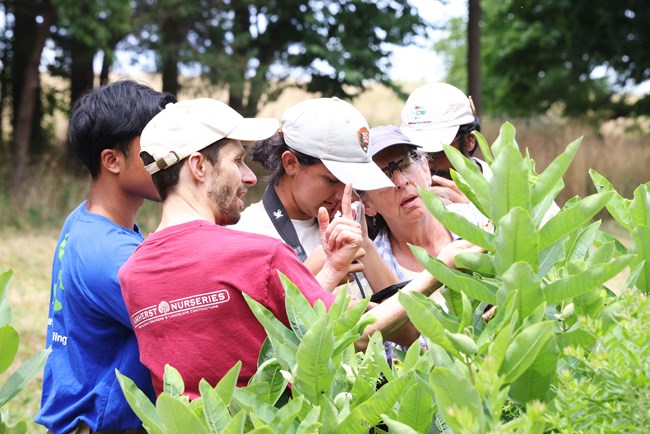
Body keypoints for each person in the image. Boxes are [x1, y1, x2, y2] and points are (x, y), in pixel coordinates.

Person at [118, 98, 481, 398]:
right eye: (237, 160)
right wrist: (443, 266)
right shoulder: (255, 251)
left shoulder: (131, 272)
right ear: (197, 166)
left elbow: (264, 332)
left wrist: (330, 273)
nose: (248, 176)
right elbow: (354, 334)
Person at [36, 80, 176, 434]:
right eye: (153, 145)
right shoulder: (110, 254)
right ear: (112, 160)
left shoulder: (85, 220)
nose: (169, 155)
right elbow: (189, 323)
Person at [233, 97, 399, 298]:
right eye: (331, 180)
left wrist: (365, 243)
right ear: (290, 163)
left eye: (351, 182)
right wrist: (317, 273)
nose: (343, 194)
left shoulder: (348, 228)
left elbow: (408, 329)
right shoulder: (246, 235)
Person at [360, 125, 489, 310]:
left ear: (426, 170)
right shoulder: (371, 270)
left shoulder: (479, 222)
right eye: (383, 176)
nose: (400, 182)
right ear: (367, 205)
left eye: (404, 165)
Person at [400, 82, 560, 220]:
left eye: (438, 151)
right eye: (414, 154)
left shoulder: (518, 192)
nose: (425, 164)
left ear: (470, 140)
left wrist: (478, 214)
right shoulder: (402, 195)